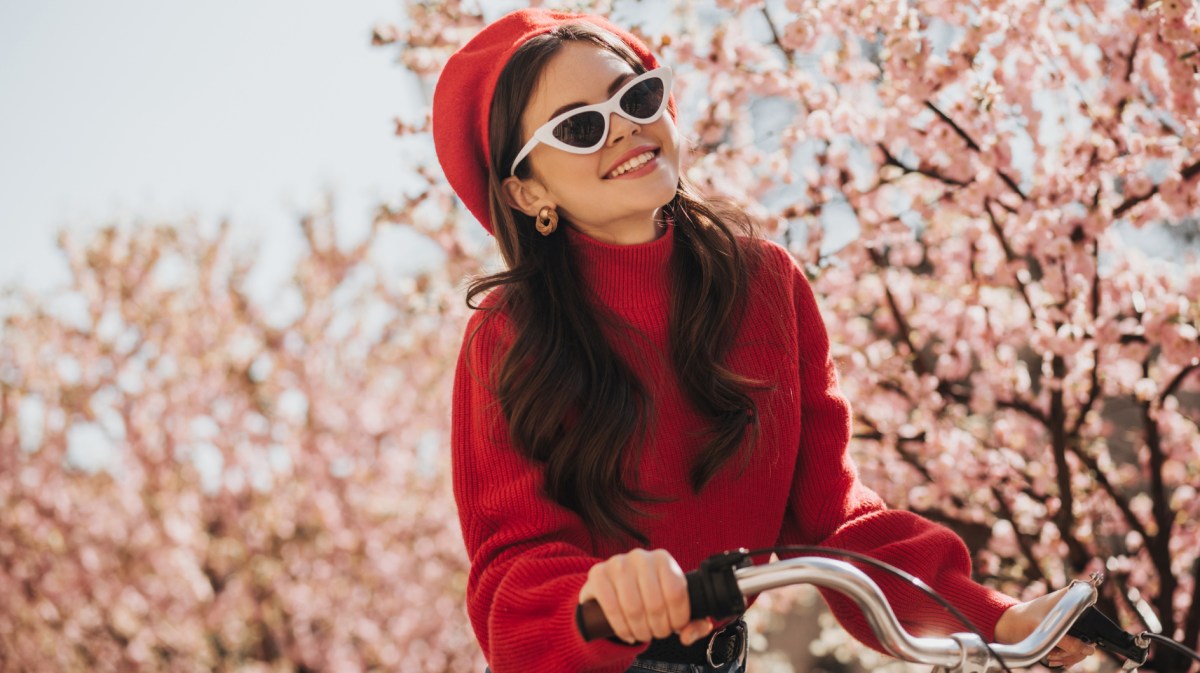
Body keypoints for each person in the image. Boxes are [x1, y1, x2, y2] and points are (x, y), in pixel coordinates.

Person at [432, 7, 1096, 673]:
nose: (626, 126)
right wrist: (594, 600)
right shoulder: (507, 335)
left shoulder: (764, 284)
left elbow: (832, 518)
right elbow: (511, 575)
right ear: (524, 190)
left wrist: (995, 614)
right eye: (579, 127)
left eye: (636, 96)